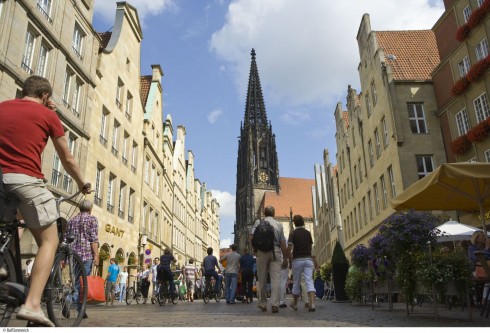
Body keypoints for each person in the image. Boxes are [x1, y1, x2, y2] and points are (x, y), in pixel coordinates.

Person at [0, 75, 91, 327]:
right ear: (46, 97)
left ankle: (3, 263)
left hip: (0, 181)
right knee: (49, 240)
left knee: (14, 218)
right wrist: (82, 183)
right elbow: (68, 159)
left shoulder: (3, 107)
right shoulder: (49, 117)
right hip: (25, 180)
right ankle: (31, 305)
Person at [249, 205, 288, 313]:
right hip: (275, 251)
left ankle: (263, 303)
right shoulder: (278, 225)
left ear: (264, 213)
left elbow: (251, 237)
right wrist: (285, 258)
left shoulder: (258, 223)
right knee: (276, 279)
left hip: (261, 252)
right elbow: (282, 243)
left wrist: (255, 249)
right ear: (274, 213)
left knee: (262, 279)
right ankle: (275, 304)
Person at [64, 199, 99, 318]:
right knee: (83, 283)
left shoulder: (71, 220)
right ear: (90, 209)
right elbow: (93, 239)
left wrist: (64, 258)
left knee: (76, 281)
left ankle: (81, 310)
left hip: (73, 256)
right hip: (86, 256)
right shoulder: (92, 219)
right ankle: (70, 299)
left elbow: (66, 239)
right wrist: (96, 255)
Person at [287, 214, 316, 312]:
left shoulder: (293, 233)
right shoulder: (308, 233)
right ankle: (312, 304)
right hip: (308, 259)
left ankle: (295, 304)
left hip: (297, 259)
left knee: (296, 283)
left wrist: (288, 257)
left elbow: (290, 247)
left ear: (294, 223)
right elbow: (311, 247)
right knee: (309, 281)